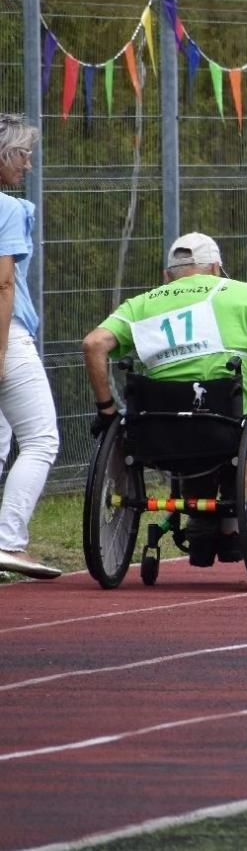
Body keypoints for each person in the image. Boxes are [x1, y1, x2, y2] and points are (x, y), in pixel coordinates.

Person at [83, 232, 247, 567]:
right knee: (235, 432)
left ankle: (200, 523)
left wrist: (107, 410)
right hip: (229, 422)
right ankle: (227, 525)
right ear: (216, 268)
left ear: (168, 275)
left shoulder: (143, 304)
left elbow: (93, 345)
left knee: (186, 442)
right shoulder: (243, 293)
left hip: (159, 429)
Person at [0, 115, 60, 580]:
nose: (28, 162)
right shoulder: (7, 208)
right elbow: (3, 285)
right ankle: (9, 541)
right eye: (22, 153)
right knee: (41, 439)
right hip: (8, 335)